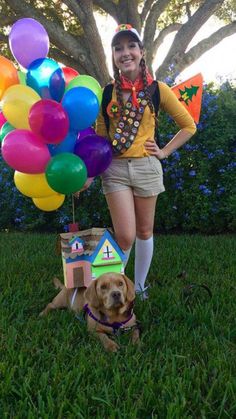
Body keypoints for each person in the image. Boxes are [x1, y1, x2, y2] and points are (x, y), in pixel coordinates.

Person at [95, 24, 197, 299]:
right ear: (113, 55)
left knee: (144, 230)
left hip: (146, 167)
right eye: (118, 48)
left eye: (131, 46)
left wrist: (163, 152)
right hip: (114, 169)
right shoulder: (107, 93)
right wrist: (90, 171)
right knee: (125, 235)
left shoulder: (157, 90)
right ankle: (109, 289)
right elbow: (101, 137)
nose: (125, 53)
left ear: (142, 52)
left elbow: (188, 125)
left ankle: (139, 287)